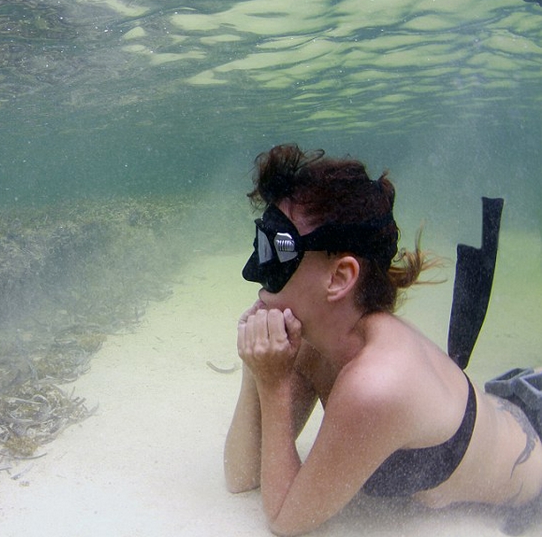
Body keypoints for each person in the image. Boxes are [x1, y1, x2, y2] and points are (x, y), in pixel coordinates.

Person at [224, 143, 542, 536]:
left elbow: (285, 521)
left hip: (533, 457)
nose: (254, 268)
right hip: (504, 407)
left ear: (339, 278)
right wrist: (255, 367)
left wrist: (273, 386)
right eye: (261, 242)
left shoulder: (377, 383)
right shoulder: (310, 345)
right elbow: (242, 476)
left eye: (280, 248)